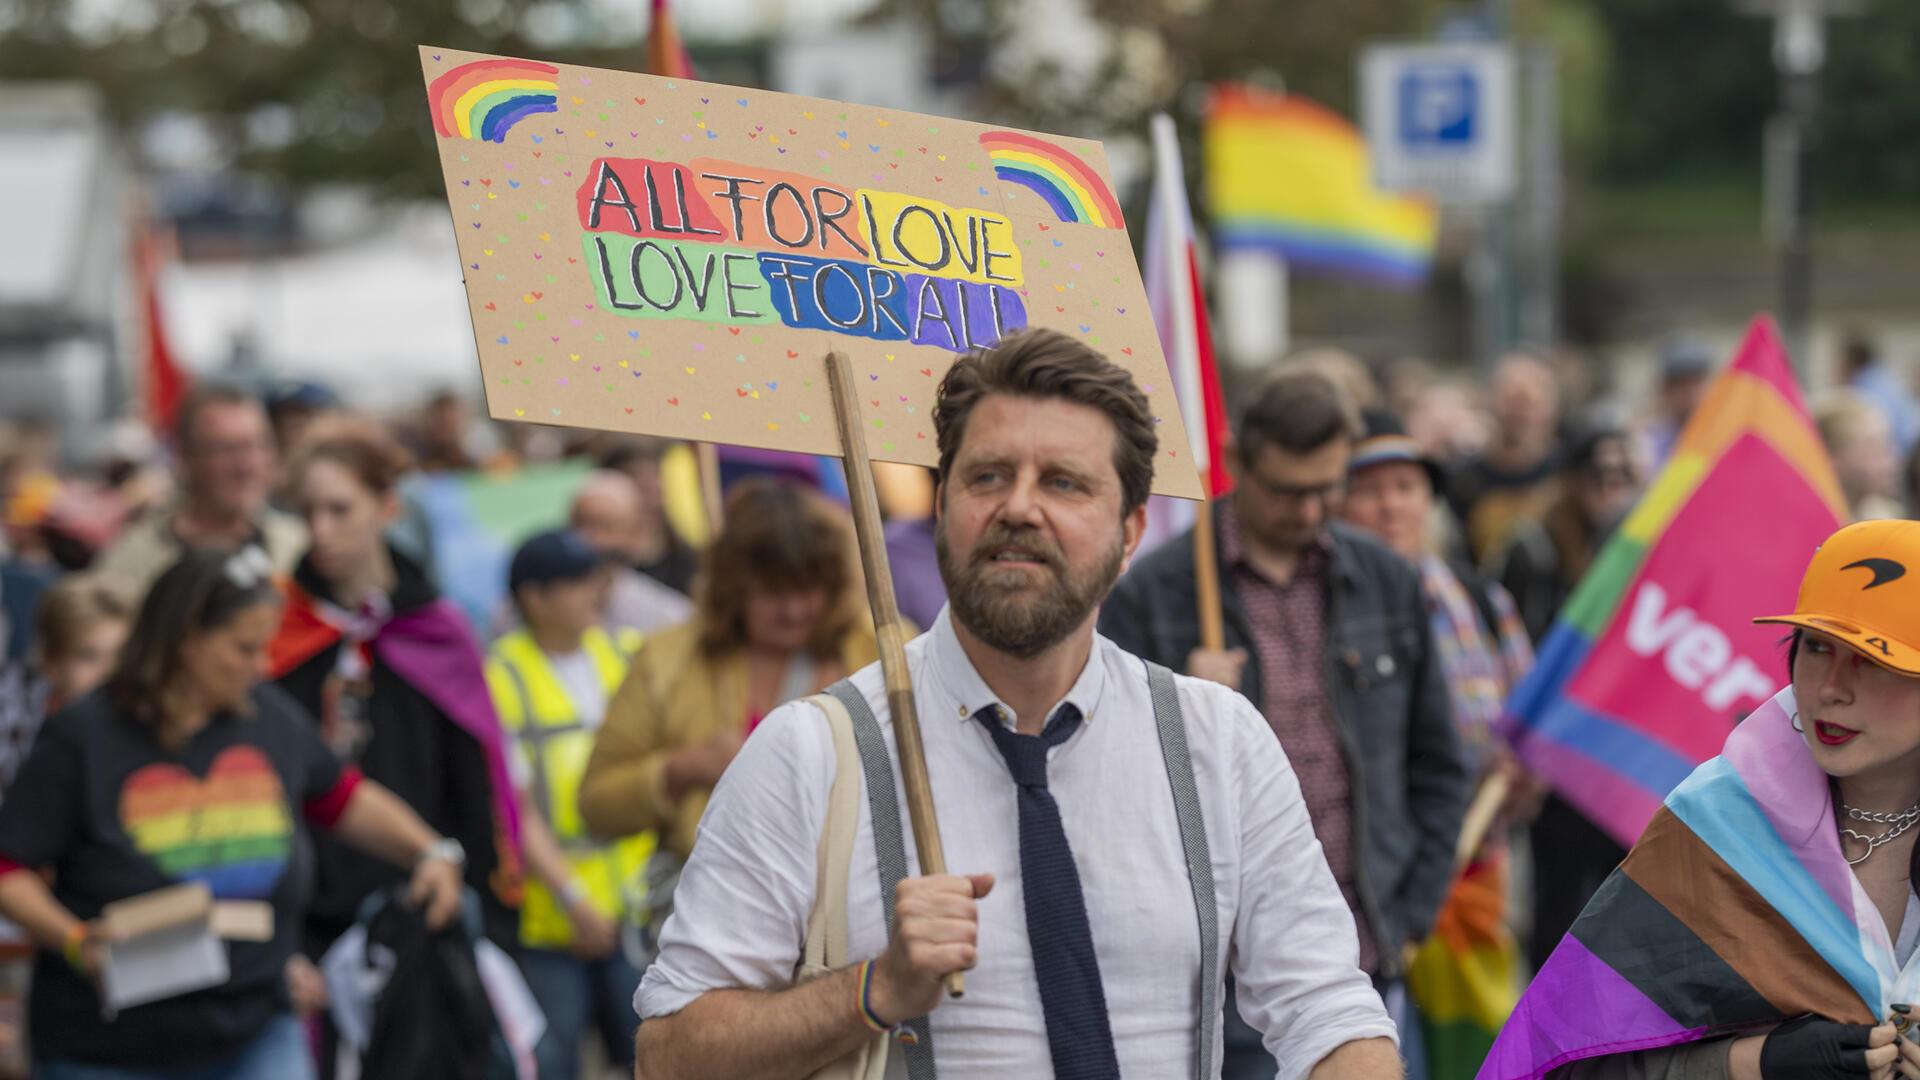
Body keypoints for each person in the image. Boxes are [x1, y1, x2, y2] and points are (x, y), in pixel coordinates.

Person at [633, 329, 1402, 1079]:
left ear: (1131, 530)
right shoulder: (812, 752)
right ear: (942, 505)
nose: (1019, 508)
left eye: (1063, 482)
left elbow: (1326, 1010)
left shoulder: (1217, 740)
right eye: (988, 476)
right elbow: (668, 1056)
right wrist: (874, 990)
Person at [1102, 368, 1467, 1079]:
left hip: (1369, 956)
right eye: (1286, 490)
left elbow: (1438, 764)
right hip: (1227, 975)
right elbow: (1111, 792)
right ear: (1237, 461)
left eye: (1326, 488)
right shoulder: (1156, 593)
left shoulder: (1386, 580)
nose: (1308, 511)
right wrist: (1184, 716)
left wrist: (1415, 909)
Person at [0, 547, 468, 1079]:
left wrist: (429, 850)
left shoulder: (266, 716)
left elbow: (342, 798)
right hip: (113, 1049)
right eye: (244, 648)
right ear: (187, 642)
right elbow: (9, 867)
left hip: (255, 1027)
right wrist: (74, 940)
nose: (261, 665)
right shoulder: (85, 735)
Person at [1486, 518, 1920, 1080]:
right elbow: (1565, 1062)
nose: (1830, 687)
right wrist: (1756, 1062)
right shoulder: (1716, 821)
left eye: (1873, 659)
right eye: (1816, 647)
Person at [266, 426, 523, 965]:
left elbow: (476, 766)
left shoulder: (436, 627)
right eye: (308, 512)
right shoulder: (276, 625)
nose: (321, 530)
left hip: (427, 884)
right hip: (311, 902)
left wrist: (486, 889)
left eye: (340, 509)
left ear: (386, 507)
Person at [1337, 411, 1535, 1076]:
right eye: (1370, 488)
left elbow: (1526, 726)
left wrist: (1526, 765)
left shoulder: (1480, 598)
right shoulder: (1325, 606)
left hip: (1476, 880)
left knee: (1478, 1058)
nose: (1390, 506)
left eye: (1406, 486)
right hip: (1367, 892)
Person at [578, 477, 878, 863]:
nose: (793, 610)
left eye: (808, 589)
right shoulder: (668, 660)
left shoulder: (879, 650)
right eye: (773, 592)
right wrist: (680, 770)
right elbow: (596, 805)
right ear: (734, 587)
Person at [485, 528, 654, 1080]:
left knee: (654, 1056)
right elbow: (515, 805)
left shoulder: (627, 653)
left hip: (640, 905)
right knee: (551, 1062)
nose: (594, 592)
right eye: (577, 582)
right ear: (534, 597)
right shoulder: (501, 675)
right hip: (553, 920)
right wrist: (575, 899)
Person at [92, 384, 307, 606]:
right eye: (226, 449)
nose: (247, 465)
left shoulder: (299, 547)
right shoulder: (132, 567)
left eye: (258, 445)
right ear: (185, 457)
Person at [0, 578, 129, 800]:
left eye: (122, 655)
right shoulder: (11, 710)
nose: (111, 672)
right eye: (89, 656)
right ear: (51, 662)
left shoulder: (133, 718)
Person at [1446, 353, 1565, 564]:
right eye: (1511, 400)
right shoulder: (1461, 479)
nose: (1520, 413)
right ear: (1491, 400)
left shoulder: (1568, 473)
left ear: (1552, 406)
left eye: (1529, 401)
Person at [567, 469, 693, 634]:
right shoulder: (542, 608)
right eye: (583, 523)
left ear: (635, 533)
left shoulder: (670, 617)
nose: (593, 539)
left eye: (607, 527)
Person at [596, 439, 700, 596]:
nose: (652, 488)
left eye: (655, 475)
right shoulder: (595, 562)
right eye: (637, 478)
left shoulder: (690, 561)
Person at [1816, 392, 1906, 522]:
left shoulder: (1886, 516)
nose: (1892, 460)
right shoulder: (1814, 521)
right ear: (1831, 457)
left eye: (1887, 446)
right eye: (1872, 448)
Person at [1641, 337, 1717, 471]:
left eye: (1697, 382)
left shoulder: (1724, 438)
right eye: (1682, 385)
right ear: (1665, 390)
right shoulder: (1648, 447)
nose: (1692, 393)